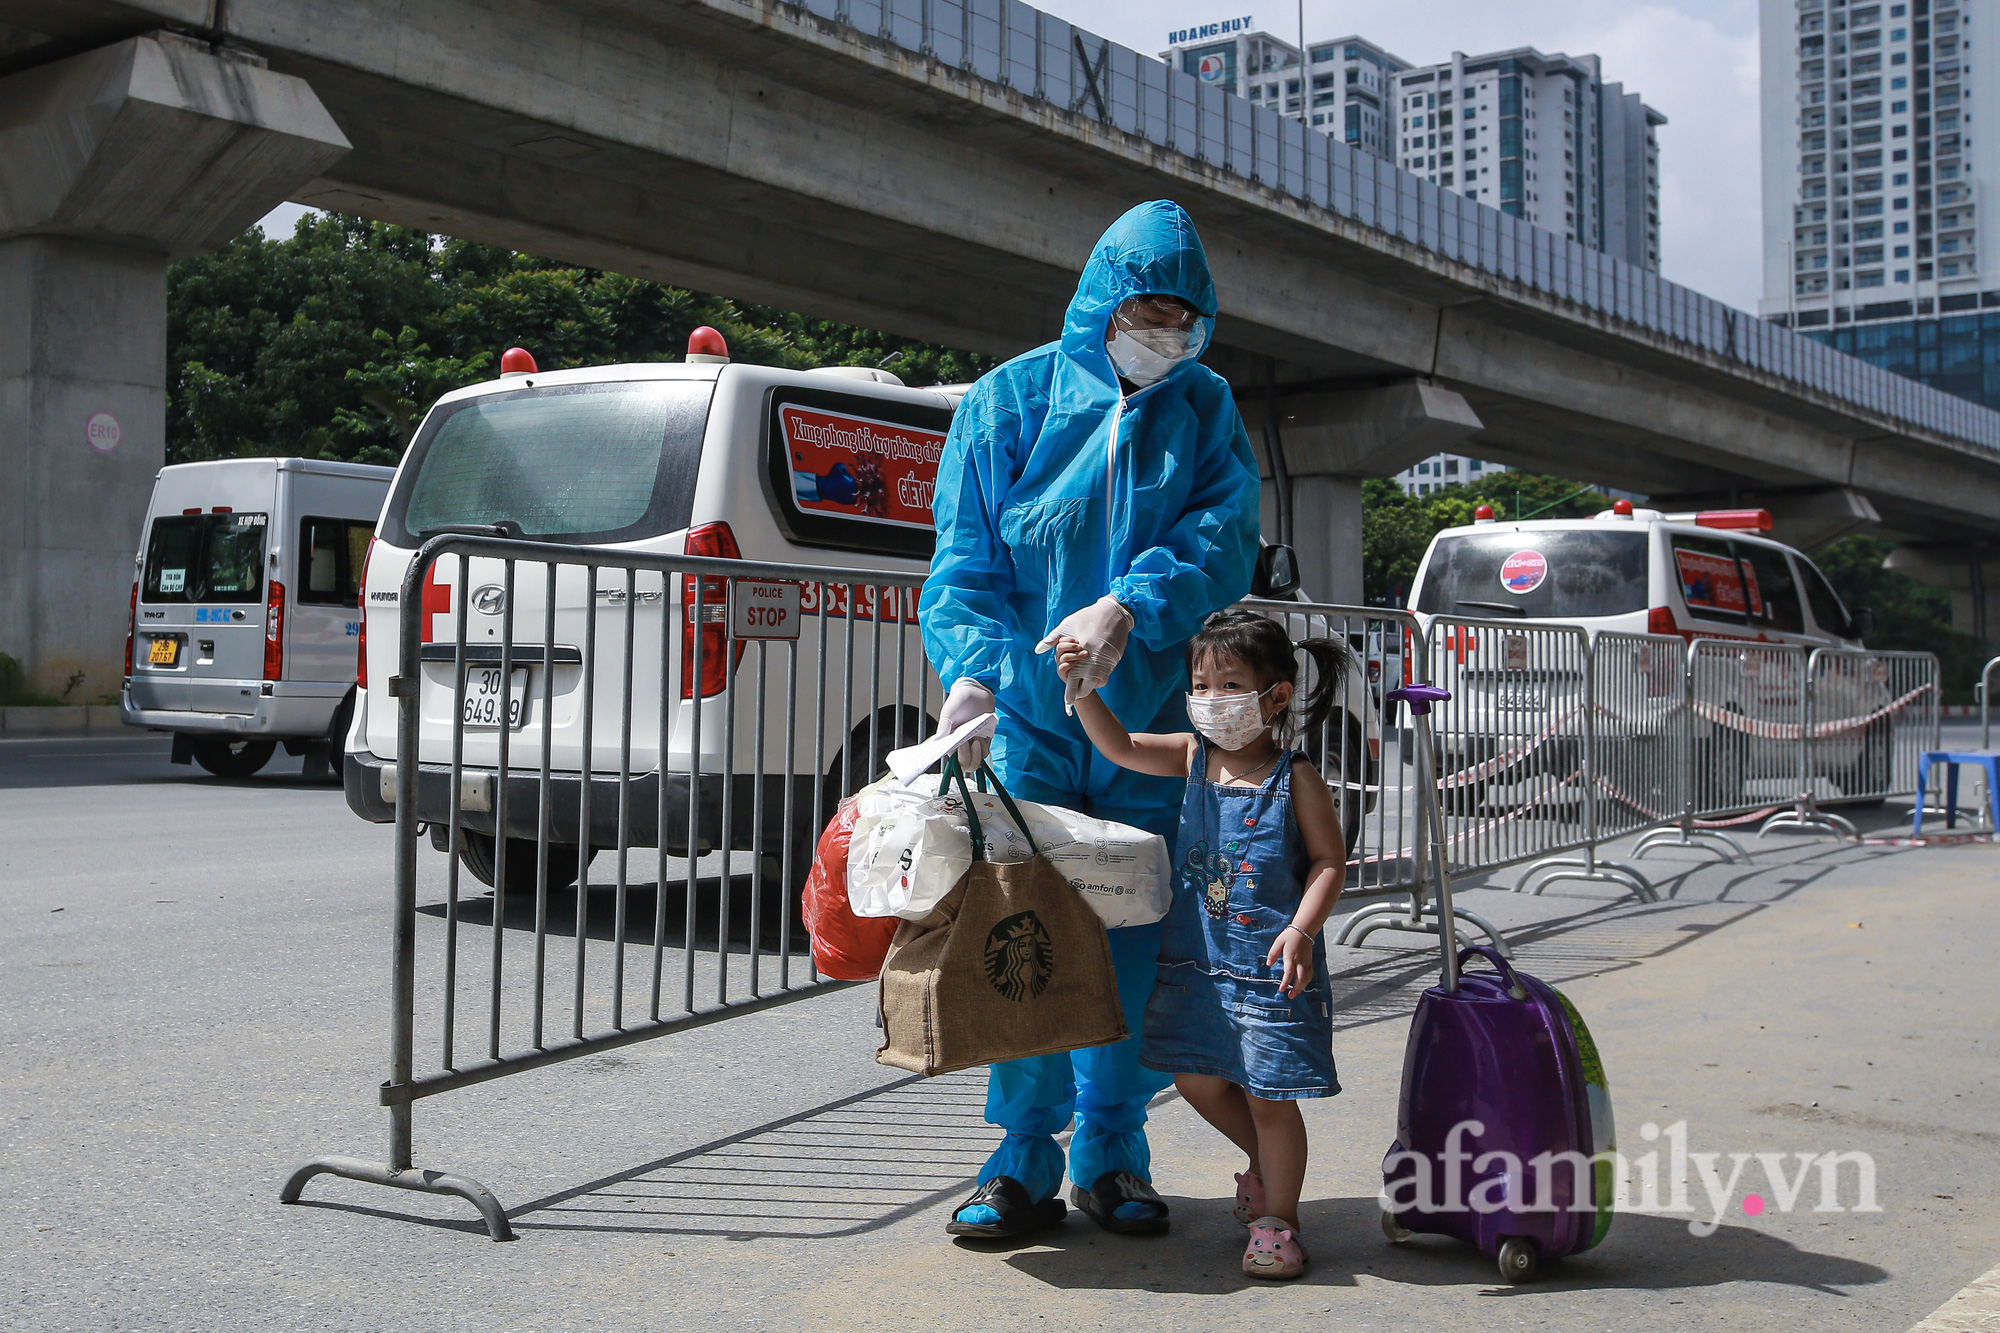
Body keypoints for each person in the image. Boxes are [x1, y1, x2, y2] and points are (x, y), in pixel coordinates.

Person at [920, 199, 1262, 1240]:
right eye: (1145, 311)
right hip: (1029, 716)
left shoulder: (1203, 408)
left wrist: (1129, 604)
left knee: (1130, 934)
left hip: (1147, 714)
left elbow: (1223, 536)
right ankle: (1020, 1154)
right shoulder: (1007, 400)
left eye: (1181, 317)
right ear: (1102, 302)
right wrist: (974, 677)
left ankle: (1114, 1148)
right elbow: (965, 560)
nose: (1163, 334)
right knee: (1018, 931)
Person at [1056, 610, 1349, 1280]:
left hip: (1271, 970)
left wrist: (1301, 928)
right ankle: (1271, 1175)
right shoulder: (1194, 758)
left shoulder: (1294, 775)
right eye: (1202, 684)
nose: (1212, 699)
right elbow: (1122, 745)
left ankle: (1280, 1220)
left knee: (1271, 1096)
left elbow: (1330, 860)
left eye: (1230, 684)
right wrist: (1080, 686)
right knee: (1194, 1079)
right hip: (1199, 966)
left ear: (1276, 695)